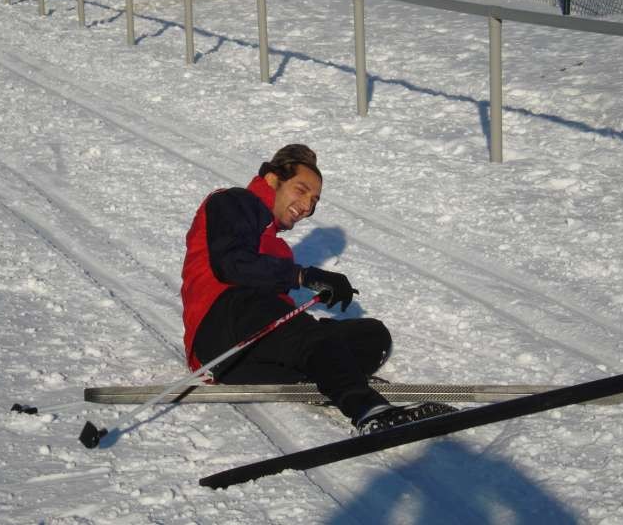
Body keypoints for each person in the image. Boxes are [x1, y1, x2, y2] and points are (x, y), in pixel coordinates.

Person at [181, 144, 455, 434]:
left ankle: (327, 377)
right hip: (220, 334)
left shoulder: (279, 250)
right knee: (299, 330)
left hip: (251, 360)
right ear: (273, 179)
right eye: (301, 190)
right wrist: (304, 276)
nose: (308, 206)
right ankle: (369, 410)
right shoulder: (233, 201)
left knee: (371, 336)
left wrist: (307, 284)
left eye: (314, 201)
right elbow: (232, 264)